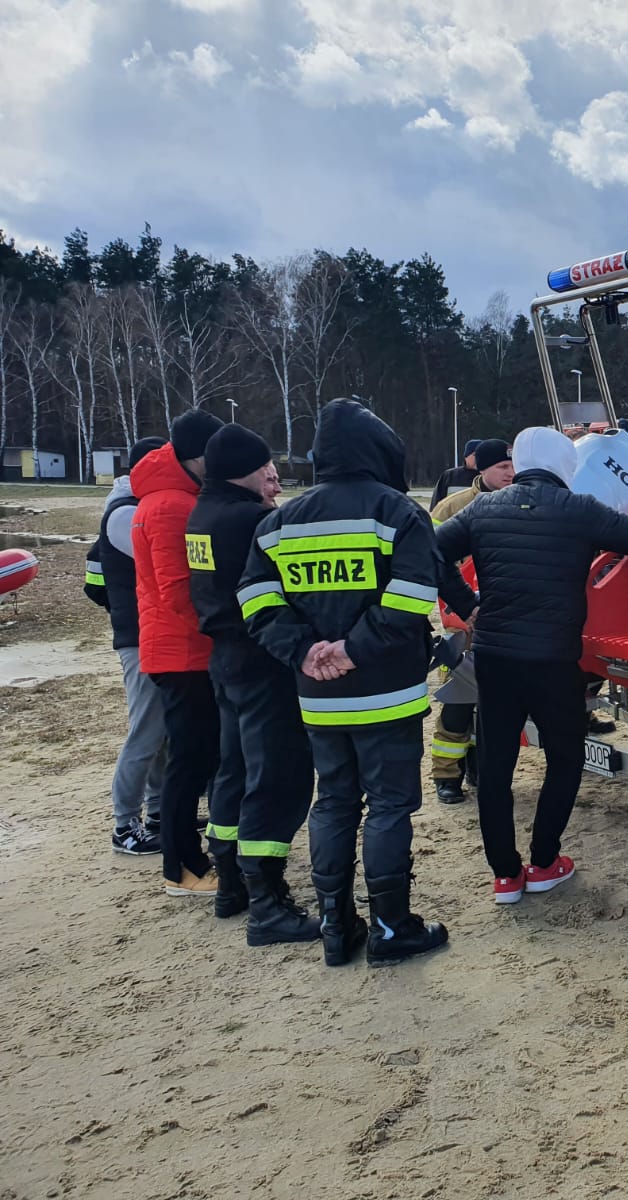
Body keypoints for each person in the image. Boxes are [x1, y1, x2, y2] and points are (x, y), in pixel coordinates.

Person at [238, 398, 464, 966]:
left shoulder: (278, 521)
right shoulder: (396, 512)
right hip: (387, 690)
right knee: (389, 806)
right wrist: (354, 649)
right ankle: (393, 929)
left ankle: (337, 927)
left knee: (334, 802)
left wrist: (306, 650)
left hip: (317, 693)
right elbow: (413, 596)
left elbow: (255, 599)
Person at [434, 427, 628, 906]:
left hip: (495, 658)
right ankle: (544, 863)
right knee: (564, 759)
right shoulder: (579, 509)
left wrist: (465, 601)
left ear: (519, 462)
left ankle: (505, 876)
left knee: (497, 769)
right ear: (567, 465)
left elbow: (428, 549)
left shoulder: (484, 506)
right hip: (554, 660)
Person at [187, 424, 319, 944]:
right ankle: (269, 906)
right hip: (264, 659)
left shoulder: (205, 512)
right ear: (244, 467)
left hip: (226, 659)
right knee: (278, 777)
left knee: (233, 771)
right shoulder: (255, 519)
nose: (274, 472)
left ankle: (231, 885)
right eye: (265, 464)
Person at [131, 408, 225, 897]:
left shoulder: (178, 496)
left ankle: (188, 857)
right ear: (199, 457)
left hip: (188, 650)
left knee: (197, 757)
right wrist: (225, 630)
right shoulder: (170, 506)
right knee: (189, 761)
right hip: (182, 653)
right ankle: (181, 868)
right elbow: (179, 590)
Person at [85, 435, 168, 857]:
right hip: (138, 638)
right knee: (146, 732)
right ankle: (124, 825)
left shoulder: (125, 508)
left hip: (144, 633)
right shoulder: (125, 514)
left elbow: (93, 582)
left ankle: (157, 812)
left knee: (162, 733)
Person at [426, 437, 514, 804]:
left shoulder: (516, 502)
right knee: (459, 702)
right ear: (483, 469)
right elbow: (429, 559)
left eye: (513, 466)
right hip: (462, 619)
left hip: (502, 620)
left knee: (493, 704)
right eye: (502, 468)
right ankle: (447, 775)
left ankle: (480, 767)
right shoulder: (454, 508)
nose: (510, 473)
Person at [429, 439, 482, 509]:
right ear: (466, 456)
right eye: (475, 455)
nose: (480, 458)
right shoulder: (449, 476)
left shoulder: (489, 478)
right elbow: (436, 506)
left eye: (483, 455)